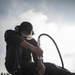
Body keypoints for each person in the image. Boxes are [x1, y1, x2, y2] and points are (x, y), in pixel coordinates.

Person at [4, 21, 75, 75]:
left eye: (28, 36)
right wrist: (31, 47)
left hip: (26, 66)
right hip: (12, 65)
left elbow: (37, 57)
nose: (26, 38)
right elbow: (13, 38)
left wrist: (40, 64)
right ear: (19, 31)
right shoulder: (10, 33)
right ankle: (16, 70)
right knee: (16, 43)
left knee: (50, 66)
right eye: (24, 35)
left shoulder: (32, 41)